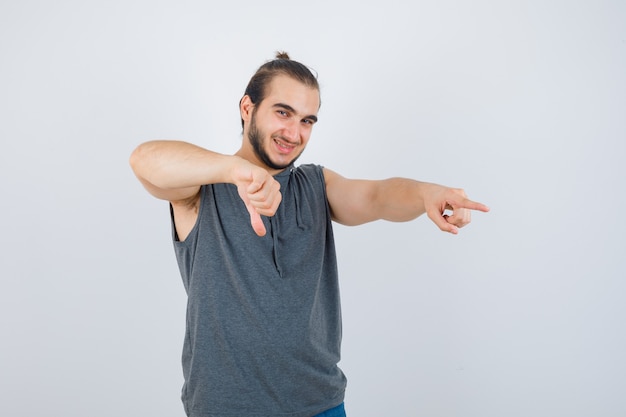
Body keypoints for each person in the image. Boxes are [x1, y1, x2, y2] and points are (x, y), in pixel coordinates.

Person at [130, 51, 489, 417]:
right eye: (282, 112)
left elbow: (376, 196)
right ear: (247, 108)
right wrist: (235, 171)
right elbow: (144, 160)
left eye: (308, 120)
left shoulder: (317, 185)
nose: (294, 133)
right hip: (225, 407)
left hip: (321, 404)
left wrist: (425, 194)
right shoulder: (200, 189)